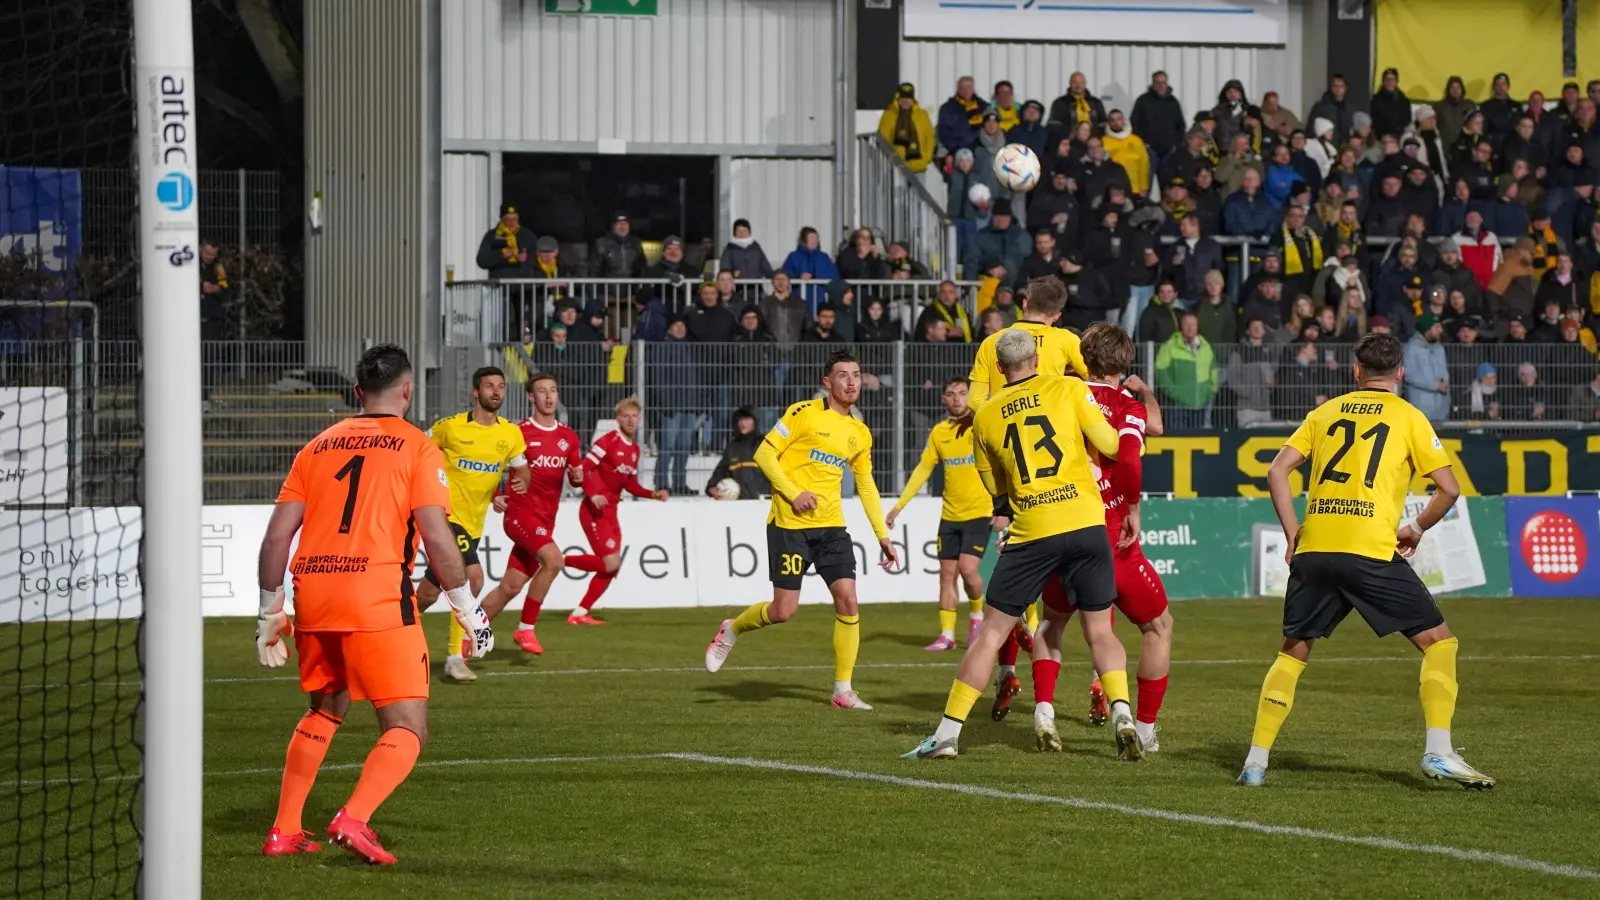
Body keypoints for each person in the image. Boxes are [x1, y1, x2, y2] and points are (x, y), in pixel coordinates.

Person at [255, 344, 494, 864]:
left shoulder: (316, 445)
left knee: (325, 707)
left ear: (359, 392)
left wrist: (268, 612)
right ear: (407, 390)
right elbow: (436, 536)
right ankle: (354, 817)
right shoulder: (417, 447)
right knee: (408, 724)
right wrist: (470, 610)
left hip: (312, 593)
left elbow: (276, 539)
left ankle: (284, 830)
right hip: (377, 597)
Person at [1239, 332, 1493, 790]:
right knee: (1440, 643)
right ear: (1401, 374)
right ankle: (1438, 751)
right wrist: (1415, 530)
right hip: (1369, 550)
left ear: (1355, 372)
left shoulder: (1325, 412)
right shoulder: (1409, 416)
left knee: (1293, 652)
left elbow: (1277, 469)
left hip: (1316, 548)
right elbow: (1449, 489)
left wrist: (1293, 534)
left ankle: (1255, 762)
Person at [902, 328, 1135, 761]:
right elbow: (1111, 446)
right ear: (1037, 358)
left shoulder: (986, 416)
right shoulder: (1069, 387)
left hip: (1033, 531)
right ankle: (1122, 712)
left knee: (991, 634)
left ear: (999, 366)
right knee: (1100, 631)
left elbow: (994, 485)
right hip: (1086, 523)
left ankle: (947, 734)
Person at [704, 350, 899, 711]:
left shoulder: (859, 431)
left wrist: (882, 536)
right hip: (790, 526)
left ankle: (843, 689)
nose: (852, 381)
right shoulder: (802, 413)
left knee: (849, 600)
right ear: (828, 383)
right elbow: (764, 455)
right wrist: (793, 495)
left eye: (856, 374)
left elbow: (867, 485)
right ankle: (733, 628)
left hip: (831, 529)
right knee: (783, 611)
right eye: (843, 375)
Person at [1026, 323, 1172, 753]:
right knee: (1158, 627)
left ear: (1083, 356)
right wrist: (1133, 508)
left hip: (1060, 525)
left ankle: (1045, 712)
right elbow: (1131, 455)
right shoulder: (1127, 405)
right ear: (1125, 362)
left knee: (1052, 621)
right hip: (1110, 536)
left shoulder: (1060, 394)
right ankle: (1142, 726)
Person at [416, 367, 531, 684]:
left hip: (473, 525)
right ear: (475, 393)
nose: (497, 391)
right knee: (472, 578)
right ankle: (456, 657)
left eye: (501, 386)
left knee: (426, 595)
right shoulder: (450, 428)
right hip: (443, 518)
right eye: (489, 386)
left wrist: (508, 491)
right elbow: (417, 451)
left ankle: (393, 632)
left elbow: (522, 472)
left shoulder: (510, 434)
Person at [473, 373, 585, 660]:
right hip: (520, 514)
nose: (549, 397)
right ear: (531, 397)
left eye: (553, 391)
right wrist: (494, 495)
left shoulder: (568, 437)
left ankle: (468, 634)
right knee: (554, 560)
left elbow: (575, 480)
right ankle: (525, 628)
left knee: (510, 586)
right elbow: (490, 464)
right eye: (542, 392)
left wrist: (577, 477)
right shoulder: (517, 432)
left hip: (545, 520)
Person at [887, 377, 993, 651]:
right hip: (950, 515)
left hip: (980, 513)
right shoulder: (939, 432)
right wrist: (899, 506)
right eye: (951, 394)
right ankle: (947, 635)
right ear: (943, 400)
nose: (957, 399)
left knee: (969, 571)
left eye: (962, 393)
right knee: (947, 574)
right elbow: (923, 469)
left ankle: (977, 617)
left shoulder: (982, 426)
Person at [562, 396, 670, 625]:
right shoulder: (607, 442)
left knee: (611, 568)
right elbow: (581, 471)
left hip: (611, 512)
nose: (631, 420)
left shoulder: (634, 450)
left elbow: (629, 485)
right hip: (593, 510)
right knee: (611, 564)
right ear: (617, 419)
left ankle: (580, 613)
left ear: (640, 419)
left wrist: (653, 494)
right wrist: (592, 494)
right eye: (626, 416)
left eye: (634, 416)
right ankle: (558, 561)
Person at [967, 276, 1088, 410]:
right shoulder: (1067, 339)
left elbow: (975, 400)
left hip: (1005, 426)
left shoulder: (991, 342)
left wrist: (995, 422)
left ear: (1025, 304)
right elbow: (1099, 380)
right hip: (1052, 426)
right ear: (1057, 315)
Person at [1155, 311, 1217, 431]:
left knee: (1197, 442)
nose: (1190, 328)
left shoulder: (1205, 346)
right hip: (1177, 405)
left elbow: (1213, 370)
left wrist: (1209, 391)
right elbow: (1161, 372)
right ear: (1180, 326)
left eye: (1193, 324)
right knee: (1177, 440)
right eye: (1186, 324)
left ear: (1198, 326)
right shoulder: (1169, 346)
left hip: (1199, 403)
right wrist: (1174, 392)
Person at [706, 408, 770, 500]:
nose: (742, 423)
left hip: (763, 501)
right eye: (740, 420)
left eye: (747, 419)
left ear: (754, 422)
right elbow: (721, 470)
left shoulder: (765, 444)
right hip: (738, 503)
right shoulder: (732, 447)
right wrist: (711, 487)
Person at [1132, 71, 1186, 172]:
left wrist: (1175, 145)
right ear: (1153, 84)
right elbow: (1134, 122)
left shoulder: (1173, 102)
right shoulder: (1143, 101)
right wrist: (1142, 142)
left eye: (1163, 82)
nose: (1161, 86)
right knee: (1146, 183)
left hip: (1168, 152)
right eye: (1158, 82)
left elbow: (1180, 125)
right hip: (1149, 150)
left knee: (1167, 184)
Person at [878, 82, 936, 173]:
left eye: (909, 98)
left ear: (913, 99)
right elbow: (883, 138)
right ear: (898, 98)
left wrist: (927, 157)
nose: (906, 101)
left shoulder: (922, 115)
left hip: (919, 164)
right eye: (903, 98)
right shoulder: (889, 115)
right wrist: (891, 157)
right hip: (897, 167)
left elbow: (930, 137)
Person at [1402, 314, 1451, 421]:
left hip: (1442, 408)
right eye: (1436, 327)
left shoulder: (1440, 349)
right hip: (1421, 408)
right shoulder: (1411, 348)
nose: (1440, 330)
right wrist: (1435, 385)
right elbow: (1410, 375)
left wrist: (1445, 383)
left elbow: (1444, 370)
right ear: (1427, 330)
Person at [1047, 71, 1106, 146]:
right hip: (1070, 142)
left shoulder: (1096, 102)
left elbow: (1103, 124)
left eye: (1081, 82)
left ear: (1085, 84)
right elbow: (1054, 126)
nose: (1078, 85)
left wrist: (1095, 136)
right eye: (1075, 82)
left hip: (1092, 142)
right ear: (1070, 83)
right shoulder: (1060, 103)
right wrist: (1073, 133)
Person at [1102, 109, 1150, 196]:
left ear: (1123, 120)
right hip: (1114, 189)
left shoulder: (1136, 141)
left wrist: (1144, 187)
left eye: (1118, 119)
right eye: (1112, 120)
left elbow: (1144, 165)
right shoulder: (1103, 142)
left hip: (1135, 189)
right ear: (1108, 122)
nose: (1116, 122)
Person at [475, 203, 530, 278]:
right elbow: (482, 261)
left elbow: (538, 259)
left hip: (522, 285)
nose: (512, 223)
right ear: (501, 219)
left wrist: (525, 259)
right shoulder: (492, 236)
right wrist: (501, 256)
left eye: (514, 219)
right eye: (508, 220)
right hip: (499, 284)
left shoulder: (526, 235)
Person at [937, 75, 986, 155]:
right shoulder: (948, 108)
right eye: (962, 88)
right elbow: (945, 133)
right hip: (957, 149)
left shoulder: (983, 107)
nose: (965, 91)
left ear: (973, 88)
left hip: (980, 149)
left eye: (968, 87)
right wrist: (957, 148)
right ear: (957, 89)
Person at [1308, 74, 1357, 145]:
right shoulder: (1321, 107)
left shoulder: (1350, 108)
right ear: (1331, 88)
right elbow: (1311, 129)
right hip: (1326, 146)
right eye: (1335, 86)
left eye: (1341, 86)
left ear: (1346, 88)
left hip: (1345, 147)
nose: (1338, 89)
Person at [594, 213, 646, 278]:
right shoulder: (601, 243)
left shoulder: (636, 243)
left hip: (630, 286)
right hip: (608, 286)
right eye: (619, 223)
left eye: (625, 224)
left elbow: (642, 268)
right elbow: (594, 271)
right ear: (613, 226)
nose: (622, 227)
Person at [1370, 68, 1411, 138]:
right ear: (1383, 81)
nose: (1390, 82)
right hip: (1381, 140)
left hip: (1400, 139)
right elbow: (1374, 122)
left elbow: (1407, 121)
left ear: (1397, 81)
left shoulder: (1404, 101)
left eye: (1393, 79)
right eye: (1387, 79)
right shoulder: (1375, 100)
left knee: (1409, 147)